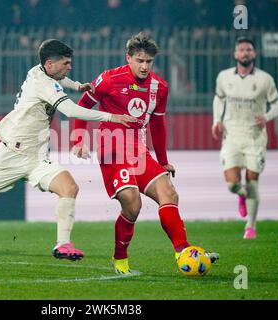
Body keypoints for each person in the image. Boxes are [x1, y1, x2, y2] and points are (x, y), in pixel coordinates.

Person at [0, 39, 136, 261]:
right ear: (50, 64)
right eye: (66, 63)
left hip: (37, 158)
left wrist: (77, 85)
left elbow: (61, 80)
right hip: (11, 155)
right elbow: (70, 111)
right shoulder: (43, 84)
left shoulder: (40, 71)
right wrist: (112, 116)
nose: (69, 67)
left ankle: (63, 244)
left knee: (69, 187)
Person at [73, 32, 219, 274]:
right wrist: (79, 139)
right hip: (112, 149)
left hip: (138, 151)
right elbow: (83, 105)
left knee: (169, 194)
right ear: (128, 58)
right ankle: (120, 258)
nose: (144, 66)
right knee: (133, 204)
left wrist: (163, 161)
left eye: (148, 61)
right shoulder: (108, 79)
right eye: (139, 60)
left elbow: (158, 125)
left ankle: (183, 251)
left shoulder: (160, 87)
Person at [212, 37, 278, 239]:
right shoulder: (224, 77)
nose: (245, 53)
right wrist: (216, 120)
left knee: (252, 182)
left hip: (255, 138)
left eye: (248, 49)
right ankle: (241, 196)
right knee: (233, 184)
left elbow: (277, 105)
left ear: (254, 54)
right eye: (241, 50)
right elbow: (219, 99)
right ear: (235, 54)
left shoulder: (265, 79)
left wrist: (267, 117)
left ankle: (250, 227)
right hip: (231, 136)